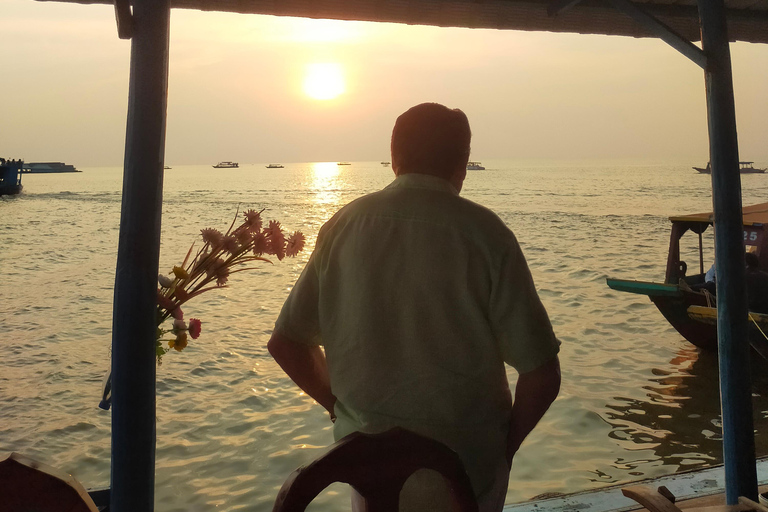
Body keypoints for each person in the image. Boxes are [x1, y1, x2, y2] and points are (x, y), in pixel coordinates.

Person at [268, 102, 561, 512]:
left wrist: (339, 407)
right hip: (467, 477)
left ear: (394, 159)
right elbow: (542, 374)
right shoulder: (488, 236)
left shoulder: (343, 226)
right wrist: (505, 449)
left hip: (367, 469)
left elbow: (286, 343)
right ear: (462, 165)